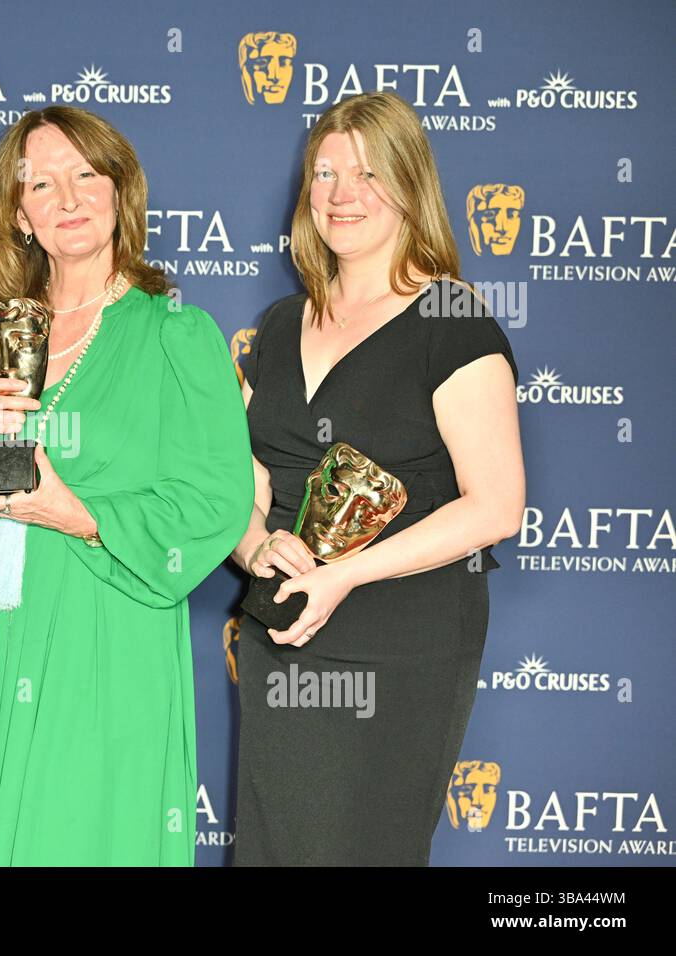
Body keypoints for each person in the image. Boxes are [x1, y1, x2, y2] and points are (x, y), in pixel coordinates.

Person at [0, 106, 252, 866]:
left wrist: (80, 515)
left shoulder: (176, 333)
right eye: (41, 183)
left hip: (105, 644)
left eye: (86, 175)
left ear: (120, 192)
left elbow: (215, 501)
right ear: (18, 214)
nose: (66, 196)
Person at [230, 91, 525, 865]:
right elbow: (246, 474)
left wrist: (345, 576)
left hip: (400, 642)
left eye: (365, 173)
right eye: (324, 174)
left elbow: (497, 505)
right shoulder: (280, 324)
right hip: (283, 630)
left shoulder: (451, 320)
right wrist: (256, 545)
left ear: (409, 184)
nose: (340, 193)